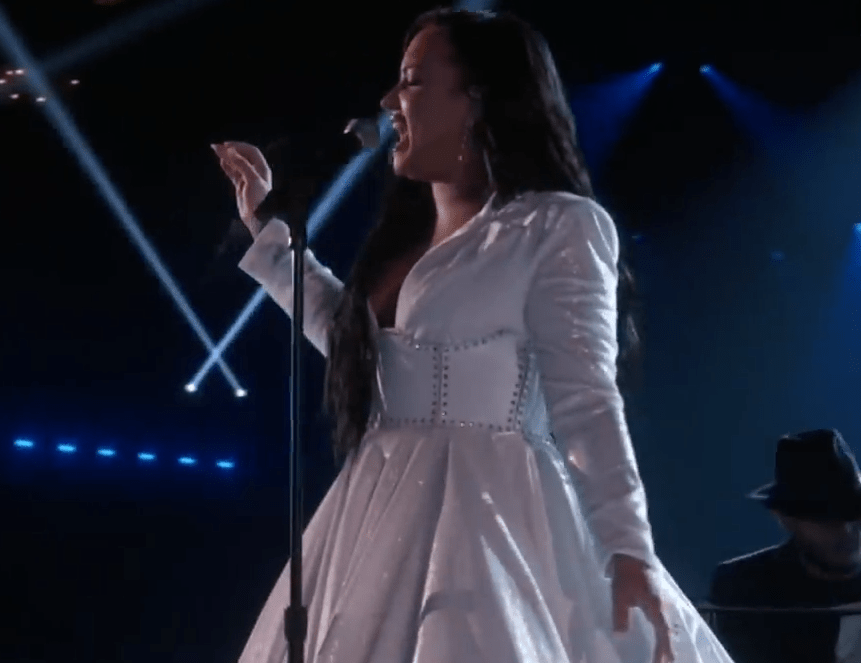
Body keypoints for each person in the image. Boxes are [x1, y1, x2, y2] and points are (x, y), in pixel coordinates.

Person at [214, 8, 733, 662]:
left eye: (411, 81)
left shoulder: (555, 225)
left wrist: (628, 548)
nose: (389, 102)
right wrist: (267, 230)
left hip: (493, 519)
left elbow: (586, 399)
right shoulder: (405, 241)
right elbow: (357, 349)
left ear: (478, 100)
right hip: (372, 513)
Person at [708, 429, 861, 663]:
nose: (847, 530)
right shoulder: (744, 588)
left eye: (856, 515)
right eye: (827, 520)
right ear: (785, 518)